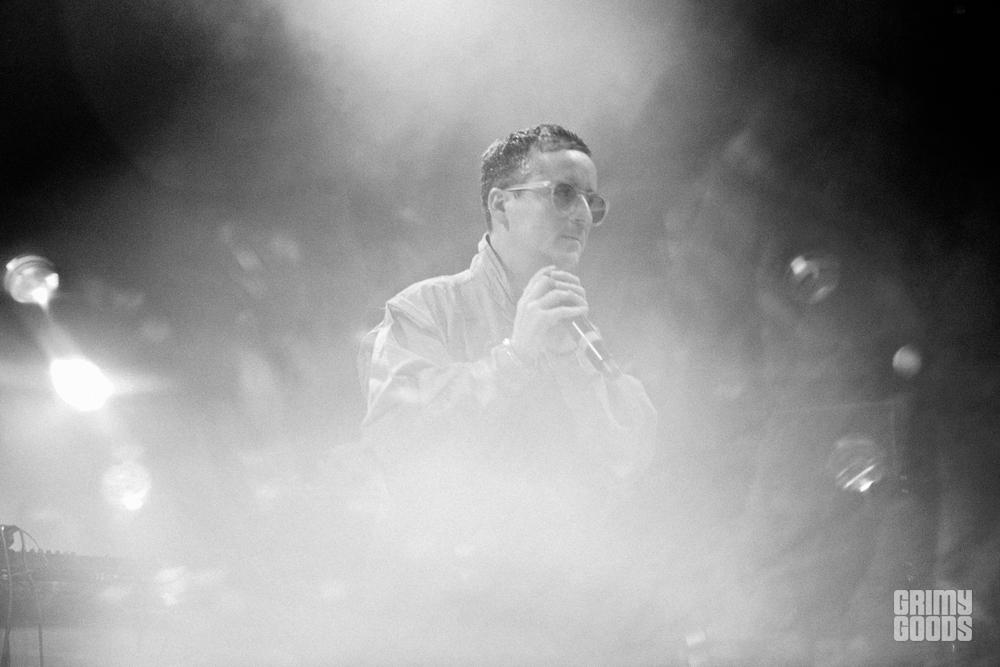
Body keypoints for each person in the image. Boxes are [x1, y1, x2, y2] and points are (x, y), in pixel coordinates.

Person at [355, 124, 657, 658]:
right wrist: (515, 358)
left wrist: (575, 364)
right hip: (457, 619)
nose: (582, 215)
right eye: (563, 193)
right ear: (501, 205)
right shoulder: (424, 309)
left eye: (592, 201)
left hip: (577, 617)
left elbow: (631, 458)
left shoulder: (583, 326)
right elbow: (398, 435)